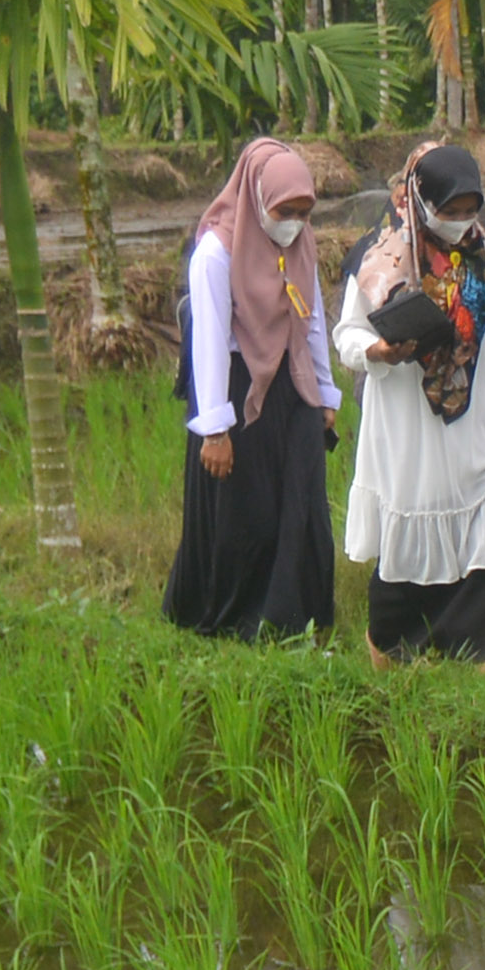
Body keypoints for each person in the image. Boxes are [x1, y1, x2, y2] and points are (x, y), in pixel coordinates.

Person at [334, 140, 485, 669]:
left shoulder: (477, 253)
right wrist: (380, 349)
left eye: (471, 212)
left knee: (484, 500)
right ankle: (393, 642)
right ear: (420, 200)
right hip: (406, 419)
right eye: (450, 212)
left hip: (474, 412)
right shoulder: (380, 259)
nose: (461, 222)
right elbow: (347, 336)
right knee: (413, 514)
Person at [162, 135, 336, 641]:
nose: (295, 220)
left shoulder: (301, 242)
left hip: (293, 382)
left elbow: (314, 318)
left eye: (305, 210)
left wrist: (324, 393)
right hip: (236, 390)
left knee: (301, 502)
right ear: (258, 196)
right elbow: (211, 340)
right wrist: (215, 429)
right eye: (286, 209)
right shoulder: (216, 251)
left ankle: (294, 617)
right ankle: (238, 618)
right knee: (248, 511)